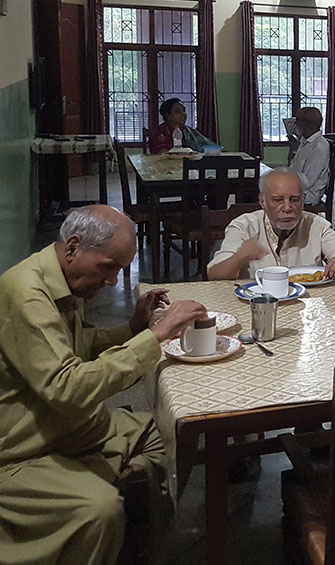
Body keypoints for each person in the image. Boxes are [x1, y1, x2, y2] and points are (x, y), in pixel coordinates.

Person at [0, 205, 207, 564]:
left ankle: (134, 543)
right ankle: (98, 525)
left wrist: (134, 327)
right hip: (22, 448)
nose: (112, 281)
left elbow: (76, 345)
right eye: (108, 267)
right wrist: (154, 337)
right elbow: (69, 389)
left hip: (66, 427)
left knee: (174, 431)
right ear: (73, 247)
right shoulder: (27, 295)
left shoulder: (60, 279)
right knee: (100, 509)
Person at [206, 168, 335, 280]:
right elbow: (214, 274)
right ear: (262, 202)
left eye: (294, 200)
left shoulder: (315, 225)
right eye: (278, 200)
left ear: (303, 200)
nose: (287, 208)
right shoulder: (244, 226)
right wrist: (240, 257)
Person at [288, 106, 330, 206]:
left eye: (297, 120)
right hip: (296, 189)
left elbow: (307, 181)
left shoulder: (319, 147)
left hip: (308, 195)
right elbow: (293, 168)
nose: (295, 124)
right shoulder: (305, 142)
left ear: (306, 124)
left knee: (270, 198)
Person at [147, 98, 212, 155]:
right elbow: (162, 154)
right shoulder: (159, 131)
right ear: (168, 116)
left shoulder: (188, 130)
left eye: (184, 110)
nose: (183, 114)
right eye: (177, 112)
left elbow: (209, 147)